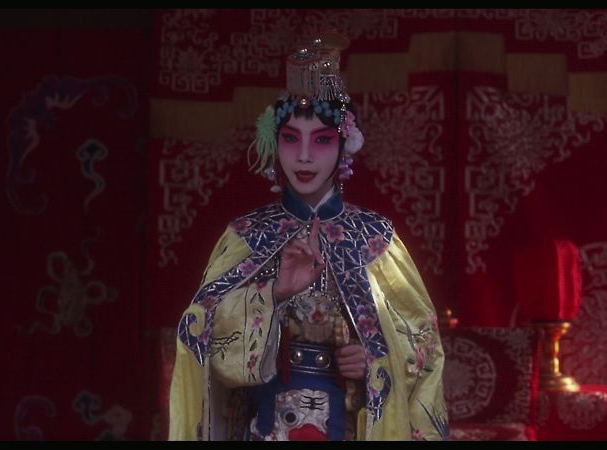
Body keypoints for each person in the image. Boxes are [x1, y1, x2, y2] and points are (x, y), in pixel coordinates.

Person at [168, 32, 448, 441]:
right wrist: (273, 294)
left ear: (344, 145)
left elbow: (423, 348)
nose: (303, 156)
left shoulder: (376, 239)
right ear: (274, 143)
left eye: (321, 140)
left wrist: (374, 360)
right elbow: (202, 334)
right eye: (290, 138)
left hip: (346, 423)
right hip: (265, 422)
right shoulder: (247, 234)